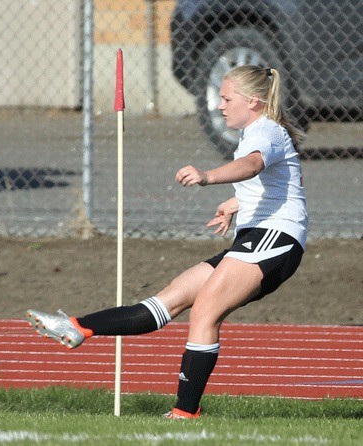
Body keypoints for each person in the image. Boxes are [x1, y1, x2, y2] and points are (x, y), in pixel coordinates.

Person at [26, 65, 308, 419]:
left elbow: (252, 166)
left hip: (277, 238)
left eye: (226, 98)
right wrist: (236, 204)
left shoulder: (265, 130)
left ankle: (184, 413)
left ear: (252, 101)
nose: (219, 106)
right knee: (166, 302)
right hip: (257, 236)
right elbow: (277, 184)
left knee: (206, 311)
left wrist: (207, 177)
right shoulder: (256, 130)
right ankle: (79, 326)